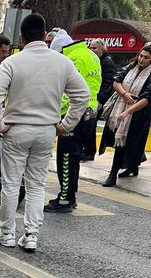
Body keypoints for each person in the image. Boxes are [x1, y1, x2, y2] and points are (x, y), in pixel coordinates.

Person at [0, 13, 89, 252]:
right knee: (36, 184)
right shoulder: (62, 62)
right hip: (47, 131)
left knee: (11, 183)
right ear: (45, 36)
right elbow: (82, 95)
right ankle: (31, 234)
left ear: (21, 38)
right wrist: (65, 125)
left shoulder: (12, 62)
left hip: (16, 130)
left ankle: (7, 233)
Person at [45, 29, 101, 213]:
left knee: (66, 157)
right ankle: (70, 196)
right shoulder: (90, 54)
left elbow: (71, 93)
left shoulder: (72, 59)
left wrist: (58, 113)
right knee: (74, 157)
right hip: (89, 114)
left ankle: (65, 198)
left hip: (74, 115)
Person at [101, 45, 151, 187]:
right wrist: (125, 94)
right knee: (123, 144)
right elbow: (116, 81)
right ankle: (122, 170)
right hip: (121, 108)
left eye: (146, 57)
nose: (142, 59)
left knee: (131, 144)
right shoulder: (130, 67)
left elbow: (147, 98)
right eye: (141, 56)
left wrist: (128, 111)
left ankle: (123, 170)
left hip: (139, 115)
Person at [83, 38, 117, 161]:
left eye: (94, 48)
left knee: (91, 125)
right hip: (93, 98)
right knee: (89, 124)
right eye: (90, 47)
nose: (91, 50)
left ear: (102, 50)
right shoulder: (94, 60)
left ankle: (89, 152)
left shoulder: (107, 63)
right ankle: (88, 151)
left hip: (101, 100)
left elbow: (108, 83)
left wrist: (100, 101)